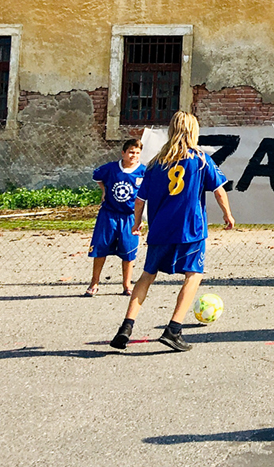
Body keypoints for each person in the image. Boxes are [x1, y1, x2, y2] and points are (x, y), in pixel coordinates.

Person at [109, 111, 234, 353]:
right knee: (194, 275)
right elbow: (219, 190)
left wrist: (137, 223)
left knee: (147, 275)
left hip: (160, 229)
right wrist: (227, 214)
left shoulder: (155, 163)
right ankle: (173, 329)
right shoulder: (200, 160)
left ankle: (125, 328)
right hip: (190, 229)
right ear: (193, 131)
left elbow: (139, 199)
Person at [86, 138, 145, 297]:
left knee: (128, 251)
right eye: (131, 152)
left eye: (137, 153)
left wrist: (141, 219)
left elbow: (147, 195)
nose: (134, 156)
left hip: (130, 217)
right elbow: (97, 176)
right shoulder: (111, 168)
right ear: (123, 153)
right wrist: (104, 190)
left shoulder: (143, 172)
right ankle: (94, 283)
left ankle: (127, 285)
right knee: (100, 248)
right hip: (109, 215)